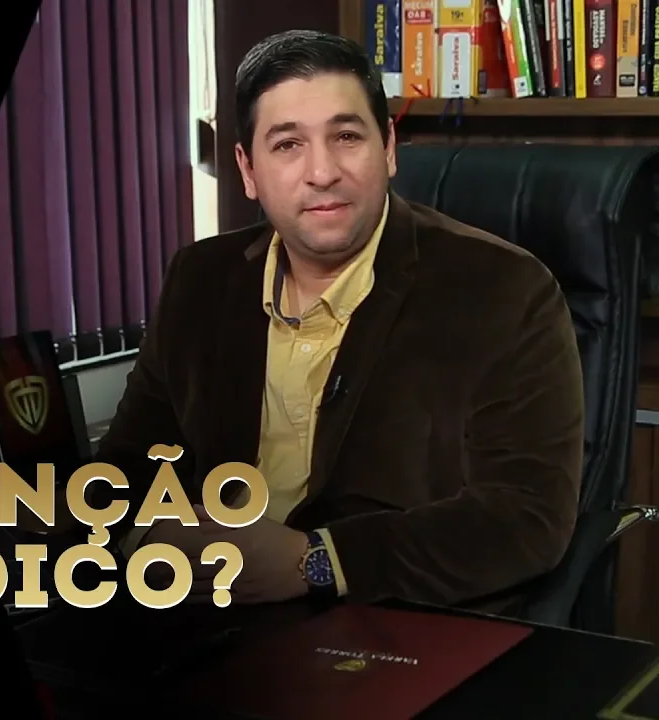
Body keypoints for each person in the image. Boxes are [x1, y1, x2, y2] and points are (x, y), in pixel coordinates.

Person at [93, 29, 583, 615]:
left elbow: (525, 519)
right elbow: (127, 467)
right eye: (287, 145)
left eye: (346, 136)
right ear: (248, 170)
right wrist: (146, 541)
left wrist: (314, 562)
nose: (322, 171)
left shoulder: (503, 290)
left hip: (398, 622)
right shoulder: (200, 279)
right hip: (211, 609)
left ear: (389, 148)